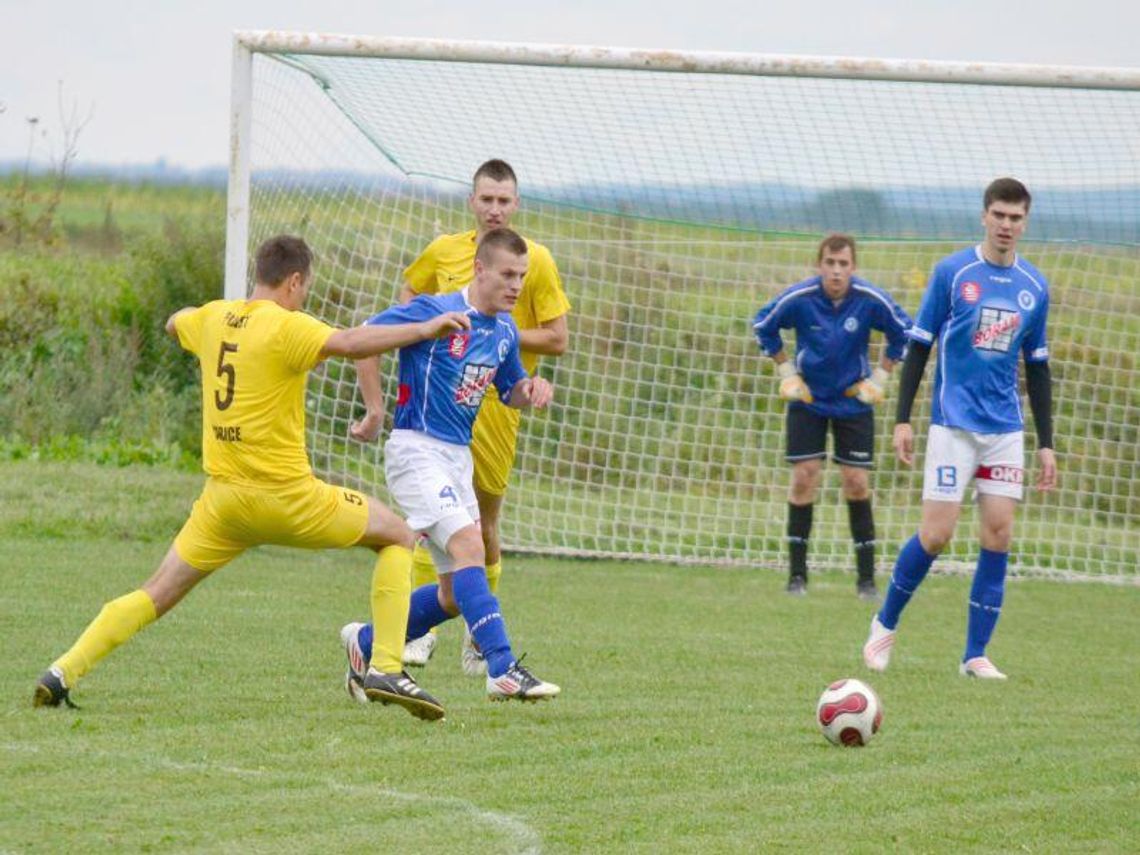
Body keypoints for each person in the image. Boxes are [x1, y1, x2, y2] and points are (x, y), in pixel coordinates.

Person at [33, 235, 470, 721]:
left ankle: (62, 671)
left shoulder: (214, 317)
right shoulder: (286, 326)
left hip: (222, 506)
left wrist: (193, 316)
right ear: (294, 281)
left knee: (155, 592)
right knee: (398, 536)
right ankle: (385, 666)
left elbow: (174, 321)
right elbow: (349, 343)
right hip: (288, 500)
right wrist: (424, 328)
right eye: (305, 288)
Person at [352, 158, 570, 675]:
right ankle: (500, 666)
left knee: (459, 576)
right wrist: (377, 406)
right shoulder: (437, 300)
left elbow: (515, 384)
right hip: (419, 443)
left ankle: (366, 640)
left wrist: (530, 388)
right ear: (479, 268)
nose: (516, 285)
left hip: (468, 441)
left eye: (521, 277)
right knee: (463, 541)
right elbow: (367, 335)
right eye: (508, 276)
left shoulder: (506, 325)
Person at [862, 177, 1056, 680]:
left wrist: (1046, 443)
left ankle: (974, 655)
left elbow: (1037, 367)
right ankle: (884, 623)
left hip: (1004, 429)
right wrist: (902, 419)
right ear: (984, 216)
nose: (1006, 225)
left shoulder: (1035, 287)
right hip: (953, 423)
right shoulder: (953, 273)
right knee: (936, 535)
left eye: (1016, 217)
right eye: (999, 215)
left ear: (1025, 222)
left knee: (998, 533)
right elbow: (919, 346)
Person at [753, 234, 912, 599]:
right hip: (808, 399)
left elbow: (904, 332)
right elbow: (763, 324)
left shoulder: (869, 300)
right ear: (819, 265)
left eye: (843, 264)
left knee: (856, 481)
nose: (836, 271)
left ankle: (866, 581)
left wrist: (880, 377)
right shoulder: (800, 298)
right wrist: (786, 372)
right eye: (830, 263)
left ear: (853, 267)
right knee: (804, 477)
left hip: (853, 402)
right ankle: (796, 577)